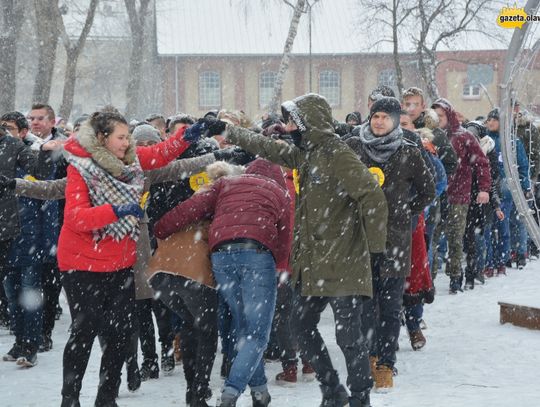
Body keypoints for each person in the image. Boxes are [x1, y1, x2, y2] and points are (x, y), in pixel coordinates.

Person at [223, 93, 388, 407]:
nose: (287, 127)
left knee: (348, 338)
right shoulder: (304, 153)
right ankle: (333, 390)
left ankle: (359, 397)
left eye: (292, 121)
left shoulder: (336, 152)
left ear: (308, 122)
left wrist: (375, 249)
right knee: (300, 326)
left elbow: (372, 196)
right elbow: (268, 147)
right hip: (312, 265)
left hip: (343, 263)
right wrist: (230, 131)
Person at [56, 110, 199, 407]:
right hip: (83, 264)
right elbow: (75, 217)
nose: (126, 143)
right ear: (101, 138)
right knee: (84, 332)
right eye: (121, 138)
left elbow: (159, 154)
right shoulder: (81, 168)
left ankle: (106, 398)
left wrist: (186, 137)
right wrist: (116, 211)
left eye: (128, 137)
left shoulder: (130, 160)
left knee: (121, 335)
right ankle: (70, 398)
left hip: (120, 262)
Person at [154, 158, 291, 407]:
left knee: (243, 327)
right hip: (258, 255)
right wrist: (281, 269)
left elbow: (192, 207)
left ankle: (260, 391)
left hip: (221, 255)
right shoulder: (279, 192)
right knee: (258, 333)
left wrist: (161, 228)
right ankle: (231, 391)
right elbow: (285, 237)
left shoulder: (227, 183)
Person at [346, 97, 435, 389]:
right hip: (361, 237)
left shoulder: (408, 151)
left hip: (395, 238)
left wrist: (406, 211)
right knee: (364, 304)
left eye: (385, 116)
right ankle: (370, 357)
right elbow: (340, 184)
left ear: (396, 120)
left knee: (390, 304)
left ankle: (386, 363)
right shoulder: (354, 147)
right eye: (375, 116)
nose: (379, 121)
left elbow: (428, 189)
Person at [431, 98, 491, 293]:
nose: (438, 119)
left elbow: (481, 163)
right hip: (433, 195)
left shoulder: (463, 136)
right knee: (431, 238)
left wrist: (483, 188)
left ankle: (456, 275)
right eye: (435, 116)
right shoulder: (427, 135)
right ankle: (427, 278)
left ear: (449, 116)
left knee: (455, 238)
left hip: (458, 195)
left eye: (441, 116)